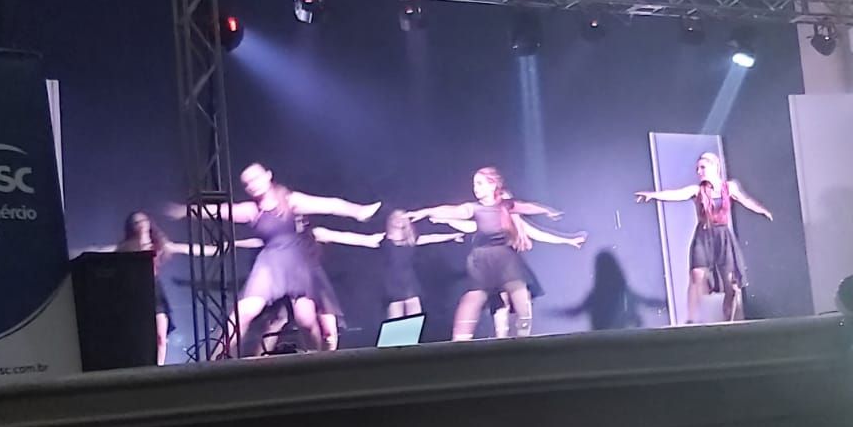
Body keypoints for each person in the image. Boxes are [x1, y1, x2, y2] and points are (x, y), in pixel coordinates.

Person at [189, 162, 380, 354]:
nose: (252, 185)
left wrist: (358, 213)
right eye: (247, 183)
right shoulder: (253, 210)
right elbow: (221, 212)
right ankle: (217, 359)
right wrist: (185, 211)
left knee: (313, 324)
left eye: (255, 178)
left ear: (268, 175)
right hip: (272, 265)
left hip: (301, 269)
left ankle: (318, 360)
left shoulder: (291, 203)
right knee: (250, 314)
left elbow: (330, 206)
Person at [413, 166, 585, 340]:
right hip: (482, 262)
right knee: (490, 303)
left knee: (519, 295)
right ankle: (491, 339)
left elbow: (530, 215)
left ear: (493, 185)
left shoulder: (508, 211)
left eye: (480, 183)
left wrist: (558, 226)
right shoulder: (475, 209)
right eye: (474, 184)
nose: (475, 188)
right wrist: (431, 213)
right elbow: (459, 215)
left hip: (505, 262)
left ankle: (522, 339)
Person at [635, 151, 773, 323]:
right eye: (697, 169)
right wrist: (653, 195)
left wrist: (762, 211)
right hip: (703, 235)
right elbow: (676, 194)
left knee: (731, 286)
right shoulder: (697, 190)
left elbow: (746, 201)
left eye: (702, 167)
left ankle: (730, 321)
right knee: (696, 275)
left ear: (714, 167)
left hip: (722, 237)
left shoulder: (729, 188)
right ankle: (691, 320)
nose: (699, 172)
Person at [317, 211, 464, 320]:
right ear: (391, 220)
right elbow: (358, 239)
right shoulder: (384, 239)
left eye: (402, 217)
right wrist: (331, 236)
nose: (399, 219)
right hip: (392, 284)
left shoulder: (412, 240)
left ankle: (413, 348)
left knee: (415, 320)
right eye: (396, 217)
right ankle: (395, 349)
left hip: (410, 283)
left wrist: (453, 236)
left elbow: (433, 238)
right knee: (395, 322)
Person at [117, 211, 175, 365]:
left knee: (161, 335)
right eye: (136, 222)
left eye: (143, 220)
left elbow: (185, 248)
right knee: (141, 336)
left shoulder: (159, 244)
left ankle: (160, 367)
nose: (141, 224)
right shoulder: (126, 247)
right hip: (137, 291)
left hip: (155, 290)